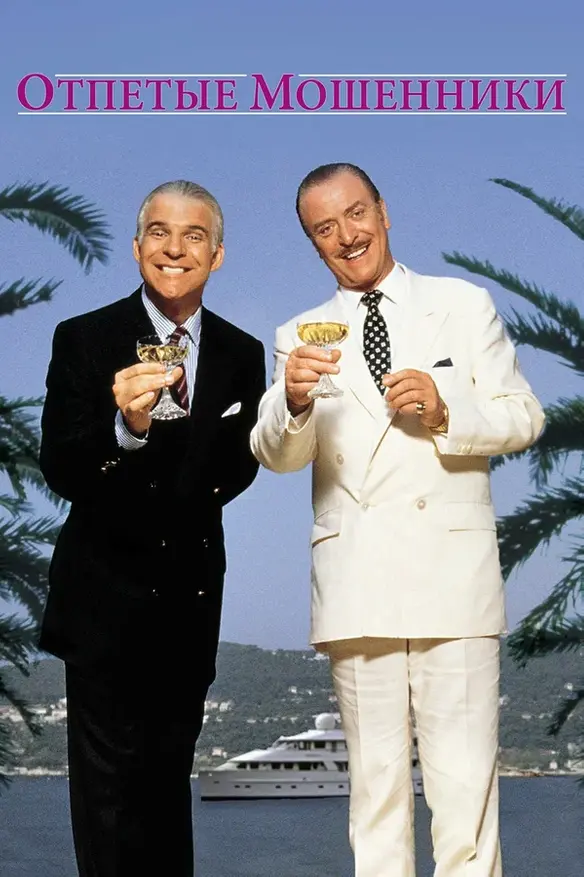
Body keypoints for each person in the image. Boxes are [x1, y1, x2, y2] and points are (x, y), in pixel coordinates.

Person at [250, 163, 545, 876]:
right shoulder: (297, 333)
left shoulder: (463, 304)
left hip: (455, 583)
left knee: (465, 797)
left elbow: (525, 416)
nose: (346, 236)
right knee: (375, 802)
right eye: (325, 228)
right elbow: (276, 454)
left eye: (356, 214)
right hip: (357, 587)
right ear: (313, 243)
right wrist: (292, 402)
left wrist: (445, 412)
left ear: (383, 211)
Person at [39, 179, 265, 877]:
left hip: (189, 607)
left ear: (217, 255)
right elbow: (60, 464)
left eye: (194, 235)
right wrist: (127, 429)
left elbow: (241, 466)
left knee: (167, 799)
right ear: (137, 248)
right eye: (159, 233)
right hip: (102, 605)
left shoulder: (242, 352)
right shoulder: (83, 338)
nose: (175, 248)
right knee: (107, 811)